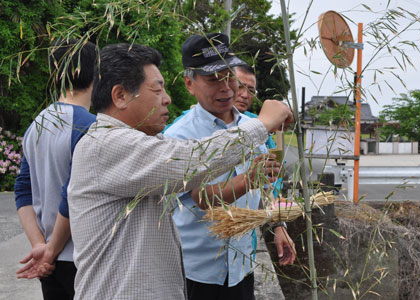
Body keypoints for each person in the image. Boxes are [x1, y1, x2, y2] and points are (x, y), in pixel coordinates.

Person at [67, 43, 293, 300]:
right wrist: (262, 126)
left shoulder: (148, 141)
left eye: (230, 77)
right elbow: (191, 162)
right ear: (120, 96)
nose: (167, 98)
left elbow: (191, 156)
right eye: (156, 89)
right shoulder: (106, 145)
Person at [164, 33, 296, 300]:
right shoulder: (179, 136)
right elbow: (199, 197)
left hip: (243, 267)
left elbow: (265, 185)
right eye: (213, 79)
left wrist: (278, 226)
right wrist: (248, 179)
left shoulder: (252, 126)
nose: (225, 87)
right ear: (190, 84)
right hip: (198, 273)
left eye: (229, 76)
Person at [14, 39, 97, 300]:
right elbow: (73, 194)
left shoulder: (37, 124)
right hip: (82, 257)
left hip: (50, 260)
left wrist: (41, 246)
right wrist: (51, 249)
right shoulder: (91, 127)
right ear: (98, 73)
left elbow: (23, 190)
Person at [233, 64, 277, 149]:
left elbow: (274, 155)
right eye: (239, 87)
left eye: (251, 90)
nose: (245, 95)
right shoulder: (207, 118)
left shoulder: (258, 122)